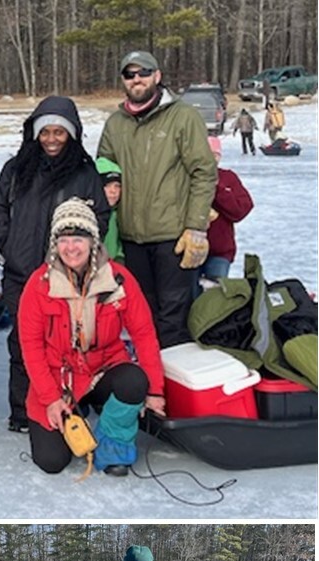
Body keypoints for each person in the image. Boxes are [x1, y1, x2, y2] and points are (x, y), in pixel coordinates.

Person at [17, 198, 165, 476]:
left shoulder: (119, 280)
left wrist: (155, 390)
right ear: (54, 244)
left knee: (134, 381)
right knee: (52, 461)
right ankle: (74, 414)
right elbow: (31, 346)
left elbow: (144, 334)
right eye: (63, 239)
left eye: (79, 238)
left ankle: (112, 444)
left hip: (103, 368)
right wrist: (50, 399)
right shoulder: (39, 285)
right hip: (57, 377)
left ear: (93, 241)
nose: (71, 247)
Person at [0, 97, 109, 432]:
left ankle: (68, 405)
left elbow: (101, 217)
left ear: (71, 134)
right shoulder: (17, 168)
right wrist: (9, 244)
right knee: (24, 343)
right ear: (35, 133)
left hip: (68, 276)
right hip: (22, 272)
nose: (52, 139)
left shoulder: (85, 173)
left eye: (59, 132)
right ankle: (22, 412)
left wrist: (80, 256)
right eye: (46, 132)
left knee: (69, 343)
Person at [97, 49, 216, 346]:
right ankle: (152, 385)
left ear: (157, 76)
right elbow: (103, 168)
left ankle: (176, 386)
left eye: (144, 73)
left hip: (173, 237)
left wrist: (196, 226)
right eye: (130, 74)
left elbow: (204, 172)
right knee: (141, 318)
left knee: (174, 319)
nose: (137, 79)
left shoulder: (183, 117)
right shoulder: (116, 123)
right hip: (131, 239)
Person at [201, 137, 253, 283]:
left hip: (220, 251)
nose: (211, 159)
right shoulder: (186, 178)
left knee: (217, 297)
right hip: (189, 248)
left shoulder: (228, 178)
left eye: (215, 155)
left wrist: (217, 188)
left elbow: (240, 210)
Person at [96, 157, 124, 261]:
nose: (113, 191)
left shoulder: (117, 215)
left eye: (117, 186)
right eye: (107, 186)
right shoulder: (88, 217)